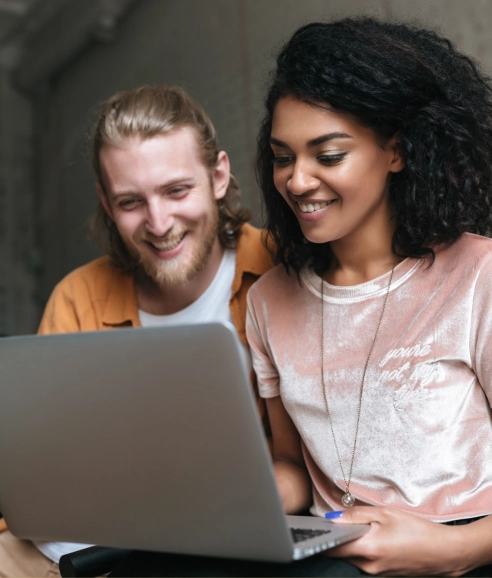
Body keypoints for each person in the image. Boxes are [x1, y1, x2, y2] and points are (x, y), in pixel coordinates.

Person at [246, 17, 492, 577]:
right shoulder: (268, 301)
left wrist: (452, 554)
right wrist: (223, 497)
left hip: (466, 548)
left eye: (327, 156)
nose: (298, 181)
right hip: (337, 547)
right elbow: (290, 465)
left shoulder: (479, 275)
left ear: (398, 153)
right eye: (284, 157)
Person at [0, 85, 273, 577]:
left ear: (218, 175)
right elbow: (36, 472)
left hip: (213, 544)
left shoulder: (280, 270)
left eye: (176, 190)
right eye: (131, 201)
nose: (159, 222)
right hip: (77, 544)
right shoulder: (77, 297)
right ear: (106, 202)